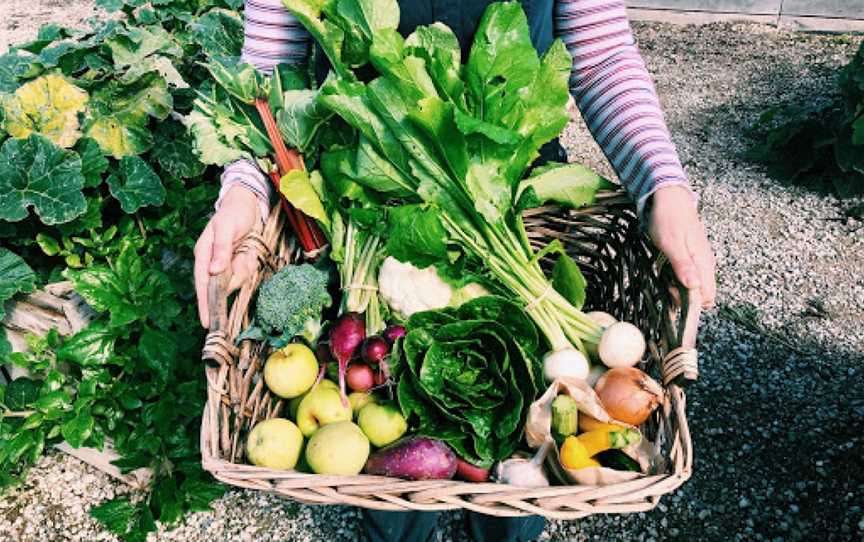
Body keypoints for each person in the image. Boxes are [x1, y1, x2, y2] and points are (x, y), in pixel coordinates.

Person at [194, 0, 716, 540]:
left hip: (503, 190)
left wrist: (662, 185)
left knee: (519, 459)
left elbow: (601, 52)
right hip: (371, 187)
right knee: (389, 455)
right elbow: (271, 62)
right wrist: (244, 196)